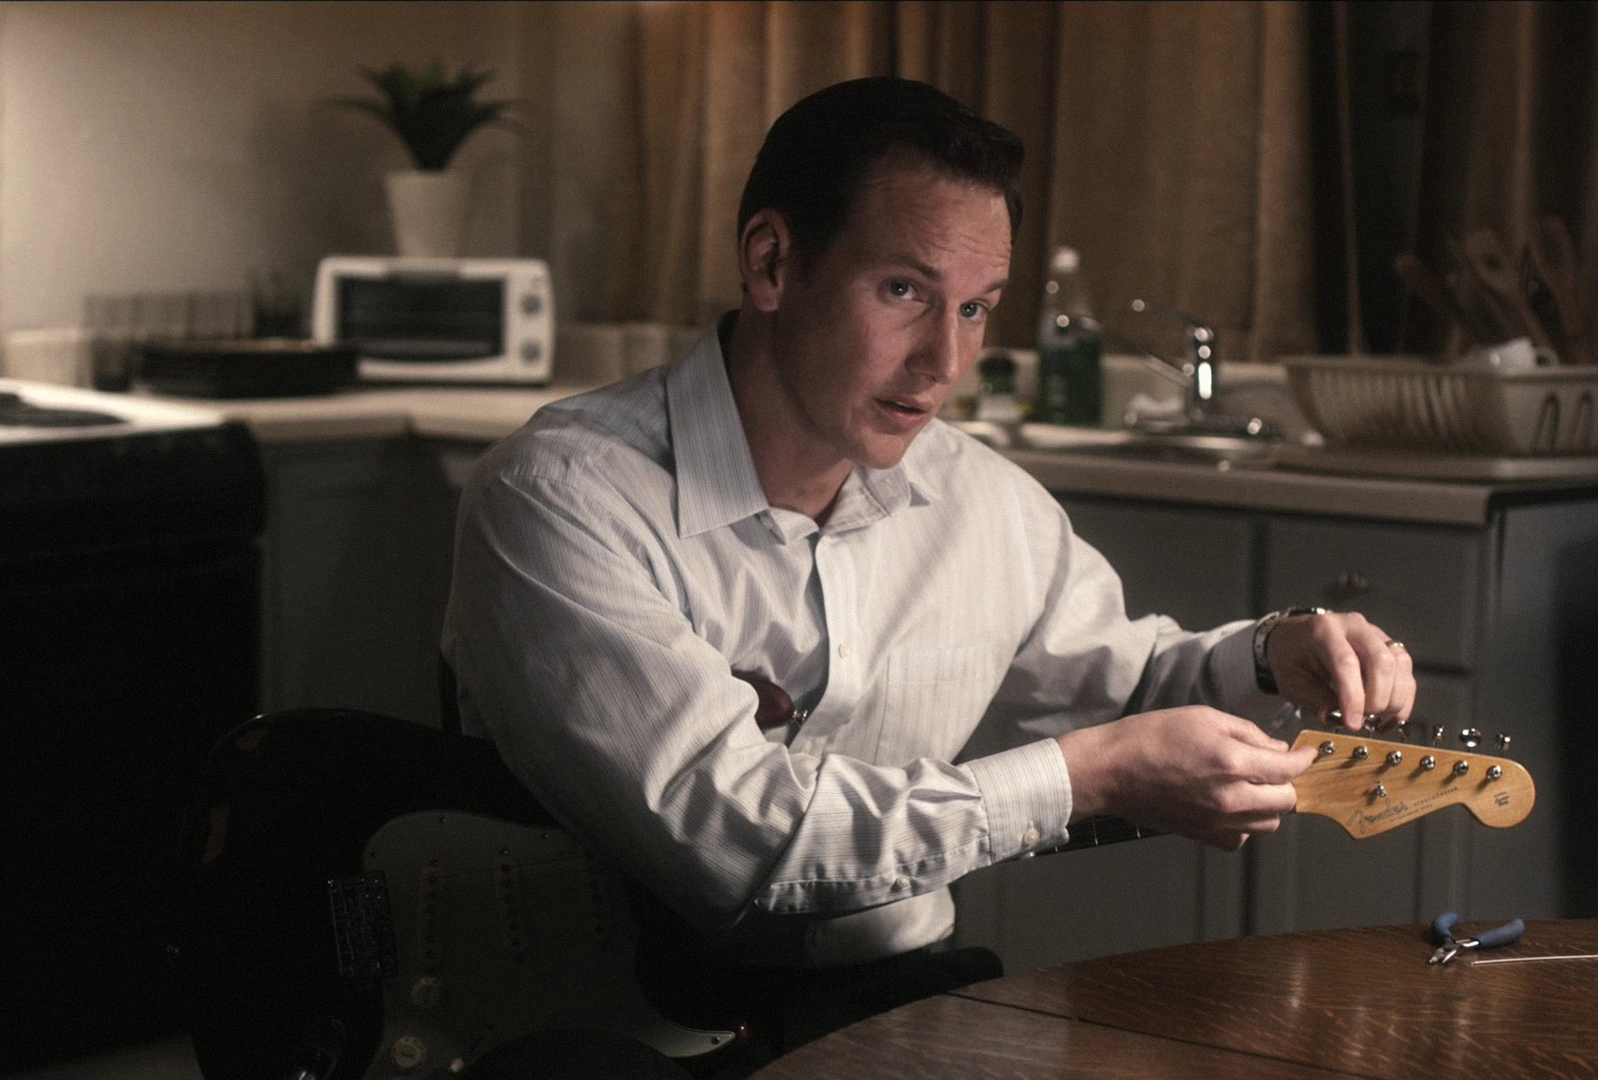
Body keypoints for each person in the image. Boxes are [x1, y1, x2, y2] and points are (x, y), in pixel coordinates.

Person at [441, 75, 1414, 1072]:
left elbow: (1124, 685)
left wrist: (1271, 654)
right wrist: (1089, 776)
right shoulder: (559, 497)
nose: (945, 360)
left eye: (977, 308)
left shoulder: (986, 501)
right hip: (614, 1034)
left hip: (895, 1002)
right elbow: (743, 844)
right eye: (904, 292)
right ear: (772, 263)